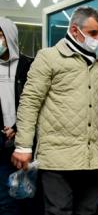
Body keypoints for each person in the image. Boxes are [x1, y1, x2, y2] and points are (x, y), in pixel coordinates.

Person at [10, 6, 98, 215]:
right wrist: (23, 146)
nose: (97, 38)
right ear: (75, 30)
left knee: (88, 211)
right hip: (57, 157)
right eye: (93, 33)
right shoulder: (48, 58)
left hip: (92, 159)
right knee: (59, 211)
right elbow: (30, 101)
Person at [0, 17, 36, 215]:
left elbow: (37, 105)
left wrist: (17, 128)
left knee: (30, 196)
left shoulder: (30, 66)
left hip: (27, 143)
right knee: (5, 201)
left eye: (0, 35)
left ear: (10, 36)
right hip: (1, 144)